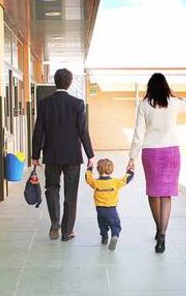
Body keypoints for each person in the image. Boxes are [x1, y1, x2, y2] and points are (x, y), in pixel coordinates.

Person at [128, 73, 186, 253]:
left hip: (150, 152)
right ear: (166, 86)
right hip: (171, 152)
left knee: (153, 193)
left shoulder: (144, 104)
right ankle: (162, 234)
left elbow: (138, 133)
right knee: (166, 195)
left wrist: (132, 158)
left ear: (150, 87)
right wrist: (177, 95)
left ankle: (159, 229)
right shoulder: (173, 102)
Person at [32, 68, 95, 241]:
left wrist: (35, 155)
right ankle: (67, 232)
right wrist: (90, 155)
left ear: (56, 82)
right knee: (70, 193)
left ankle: (54, 222)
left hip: (51, 154)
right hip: (72, 156)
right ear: (69, 82)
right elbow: (83, 131)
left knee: (52, 187)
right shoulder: (78, 104)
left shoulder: (45, 104)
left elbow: (38, 131)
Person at [85, 158, 134, 250]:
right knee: (115, 224)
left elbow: (88, 179)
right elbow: (126, 180)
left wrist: (89, 169)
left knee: (102, 225)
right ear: (111, 170)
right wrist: (130, 171)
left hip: (100, 210)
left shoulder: (96, 182)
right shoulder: (115, 182)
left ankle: (104, 237)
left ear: (98, 169)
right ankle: (114, 235)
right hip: (111, 210)